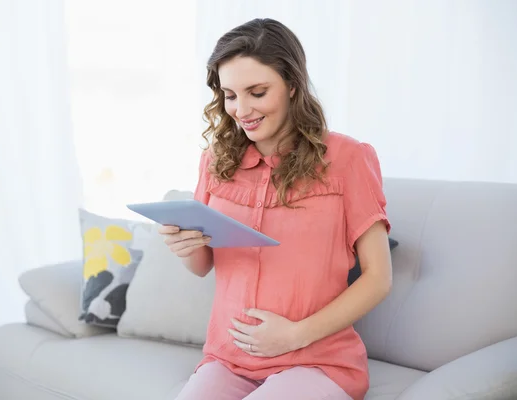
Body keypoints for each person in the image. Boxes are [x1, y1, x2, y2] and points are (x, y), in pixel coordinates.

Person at [159, 18, 393, 400]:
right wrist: (184, 246)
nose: (241, 109)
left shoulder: (350, 159)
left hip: (317, 361)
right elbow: (202, 266)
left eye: (257, 91)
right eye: (230, 95)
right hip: (228, 358)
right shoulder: (216, 160)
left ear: (293, 86)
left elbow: (378, 278)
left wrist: (293, 335)